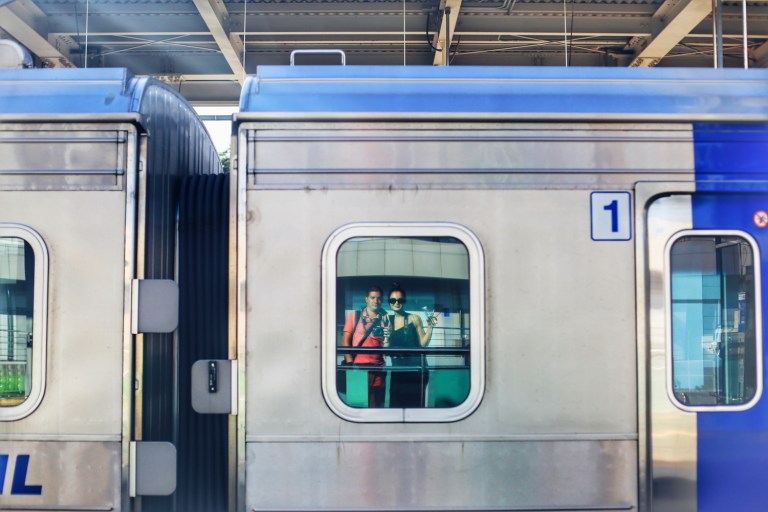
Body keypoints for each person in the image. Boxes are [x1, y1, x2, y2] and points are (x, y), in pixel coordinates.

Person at [387, 283, 440, 408]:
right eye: (392, 300)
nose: (396, 303)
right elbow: (385, 346)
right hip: (397, 370)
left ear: (404, 301)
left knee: (414, 405)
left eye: (400, 300)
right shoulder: (387, 320)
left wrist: (430, 326)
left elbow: (422, 343)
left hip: (415, 370)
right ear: (389, 302)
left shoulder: (414, 318)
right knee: (395, 405)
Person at [341, 286, 391, 407]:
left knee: (376, 404)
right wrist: (350, 365)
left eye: (378, 298)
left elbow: (386, 346)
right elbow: (345, 341)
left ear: (382, 300)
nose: (375, 301)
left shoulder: (385, 319)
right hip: (357, 367)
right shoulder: (355, 316)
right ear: (366, 299)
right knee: (357, 403)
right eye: (372, 298)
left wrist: (387, 337)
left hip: (378, 369)